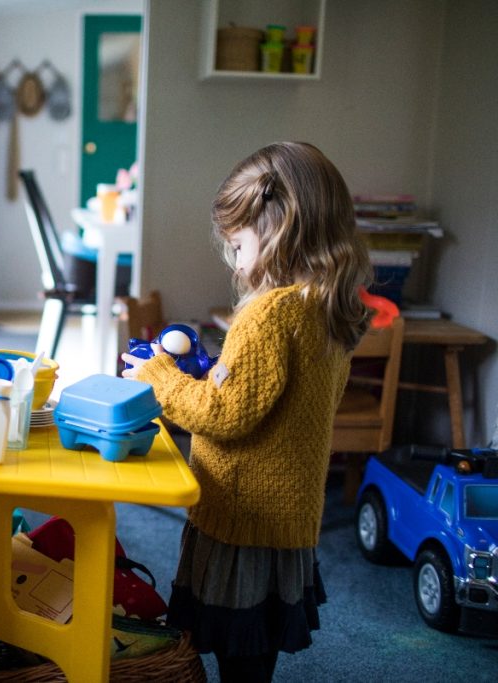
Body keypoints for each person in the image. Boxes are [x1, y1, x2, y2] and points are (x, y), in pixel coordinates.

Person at [122, 142, 372, 682]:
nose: (236, 260)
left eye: (238, 245)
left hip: (244, 516)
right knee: (255, 652)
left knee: (237, 651)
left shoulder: (268, 316)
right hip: (288, 514)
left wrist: (160, 376)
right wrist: (212, 373)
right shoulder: (328, 307)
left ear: (281, 231)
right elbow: (278, 400)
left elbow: (225, 415)